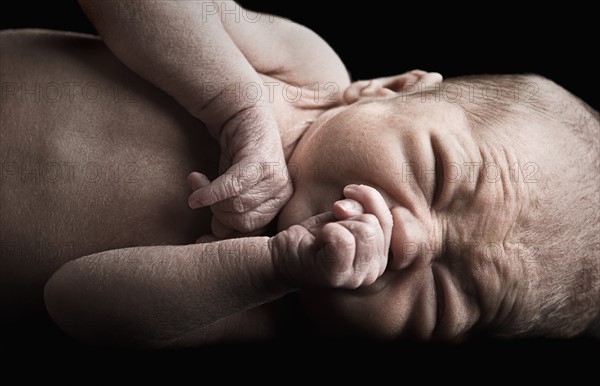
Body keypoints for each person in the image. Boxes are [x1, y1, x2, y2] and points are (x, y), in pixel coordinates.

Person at [1, 10, 598, 348]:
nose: (411, 242)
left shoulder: (264, 308)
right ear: (390, 90)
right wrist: (238, 104)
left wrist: (271, 267)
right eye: (436, 174)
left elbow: (73, 302)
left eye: (444, 298)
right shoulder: (307, 75)